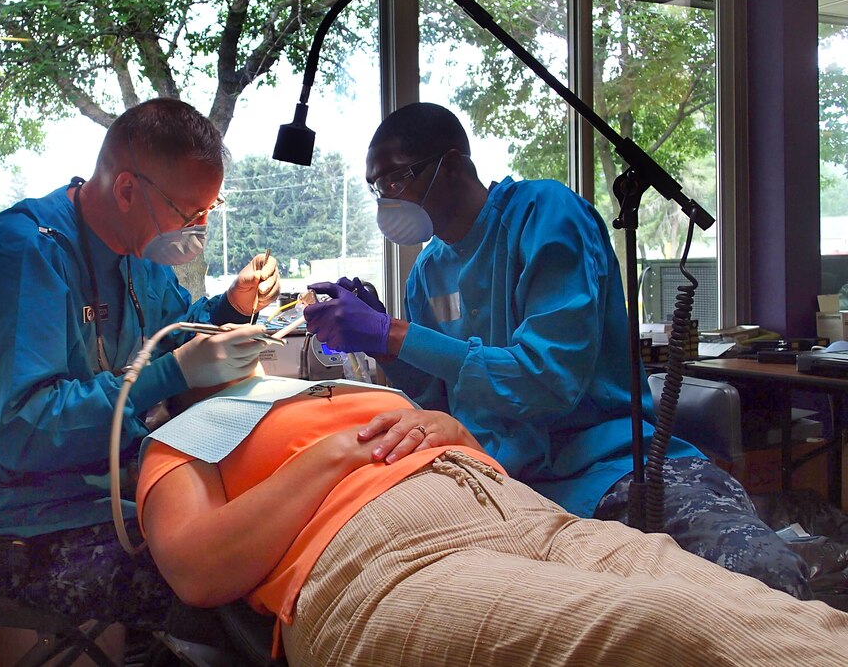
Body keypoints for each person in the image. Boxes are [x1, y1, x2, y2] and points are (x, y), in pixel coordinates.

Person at [302, 101, 812, 599]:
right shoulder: (427, 271)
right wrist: (391, 352)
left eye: (395, 180)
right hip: (505, 482)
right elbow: (436, 401)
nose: (385, 202)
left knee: (760, 575)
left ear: (452, 166)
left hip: (610, 469)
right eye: (375, 188)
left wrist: (394, 334)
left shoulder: (545, 216)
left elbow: (547, 381)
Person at [138, 375, 848, 666]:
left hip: (532, 515)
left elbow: (479, 442)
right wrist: (326, 457)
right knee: (667, 628)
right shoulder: (189, 433)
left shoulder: (352, 384)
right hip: (385, 560)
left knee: (759, 606)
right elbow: (197, 567)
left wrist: (450, 428)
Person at [0, 97, 280, 632]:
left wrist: (230, 306)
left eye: (210, 209)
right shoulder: (23, 256)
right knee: (231, 589)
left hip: (102, 497)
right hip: (11, 520)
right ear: (128, 190)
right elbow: (25, 429)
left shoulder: (137, 255)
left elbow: (172, 334)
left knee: (267, 544)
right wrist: (174, 373)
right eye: (189, 212)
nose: (201, 227)